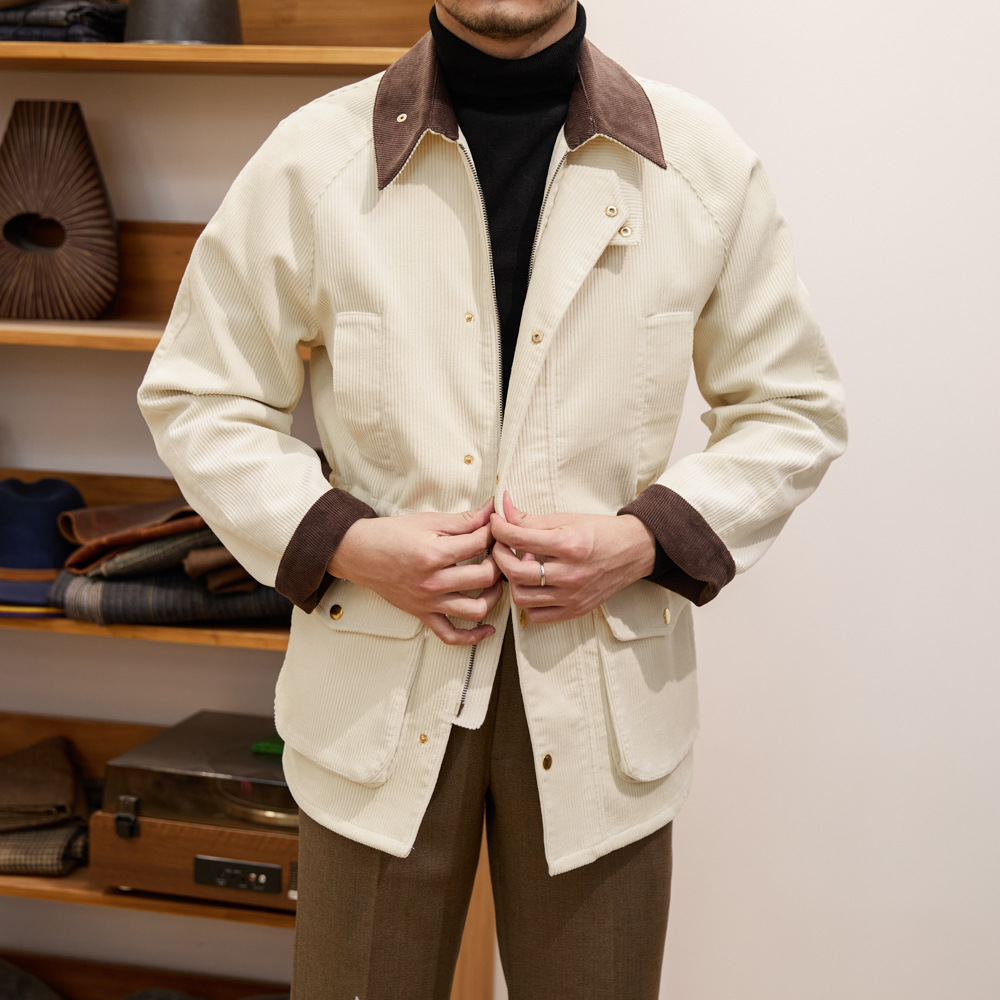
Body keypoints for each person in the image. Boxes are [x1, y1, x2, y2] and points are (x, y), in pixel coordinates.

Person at [137, 2, 847, 997]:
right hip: (376, 693)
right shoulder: (313, 162)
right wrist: (352, 543)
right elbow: (200, 396)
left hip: (603, 705)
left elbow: (792, 409)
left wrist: (643, 541)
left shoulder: (700, 166)